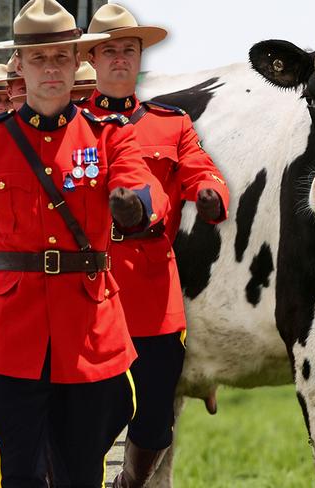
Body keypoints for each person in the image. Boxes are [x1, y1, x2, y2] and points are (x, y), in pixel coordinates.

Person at [0, 0, 170, 486]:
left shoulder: (108, 137)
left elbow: (140, 181)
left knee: (80, 471)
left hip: (87, 331)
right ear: (20, 64)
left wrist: (136, 204)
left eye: (60, 57)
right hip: (10, 335)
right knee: (21, 473)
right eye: (39, 58)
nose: (51, 68)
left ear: (77, 62)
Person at [82, 5, 230, 487]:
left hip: (153, 290)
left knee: (154, 419)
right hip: (89, 288)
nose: (120, 60)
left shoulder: (172, 123)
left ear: (139, 58)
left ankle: (131, 482)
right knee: (89, 414)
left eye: (129, 50)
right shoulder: (71, 127)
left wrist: (210, 195)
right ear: (94, 60)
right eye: (110, 51)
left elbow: (200, 169)